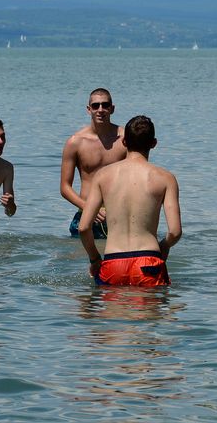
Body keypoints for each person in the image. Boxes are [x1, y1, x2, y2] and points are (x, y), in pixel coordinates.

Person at [79, 115, 181, 287]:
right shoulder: (166, 178)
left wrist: (95, 259)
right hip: (149, 261)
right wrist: (163, 247)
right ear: (154, 143)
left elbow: (83, 228)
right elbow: (175, 232)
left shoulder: (103, 176)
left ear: (124, 142)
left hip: (113, 262)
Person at [60, 88, 127, 238]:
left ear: (112, 109)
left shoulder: (126, 139)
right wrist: (89, 208)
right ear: (88, 109)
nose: (100, 110)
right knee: (80, 254)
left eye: (105, 105)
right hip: (86, 214)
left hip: (118, 215)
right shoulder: (75, 142)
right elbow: (65, 187)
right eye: (96, 106)